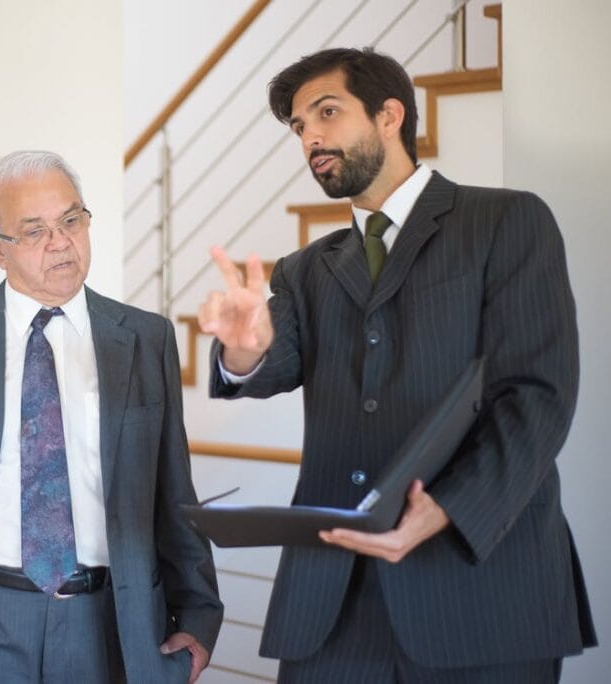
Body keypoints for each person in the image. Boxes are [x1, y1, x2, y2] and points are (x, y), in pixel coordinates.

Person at [198, 48, 596, 682]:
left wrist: (444, 509)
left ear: (391, 115)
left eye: (326, 112)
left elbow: (537, 397)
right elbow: (270, 365)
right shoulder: (305, 269)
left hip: (479, 585)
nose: (311, 138)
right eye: (299, 126)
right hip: (333, 604)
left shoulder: (506, 220)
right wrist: (244, 349)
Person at [0, 150, 222, 683]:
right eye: (33, 232)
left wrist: (196, 616)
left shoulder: (146, 339)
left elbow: (173, 493)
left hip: (109, 624)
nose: (60, 243)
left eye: (72, 220)